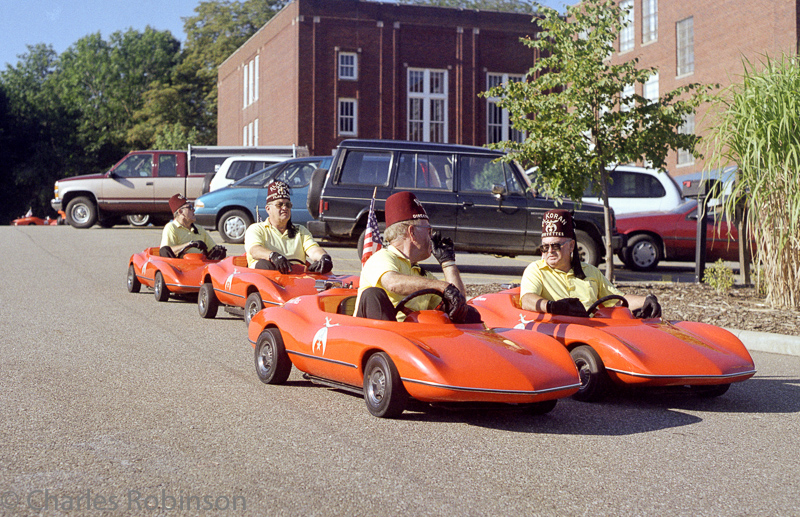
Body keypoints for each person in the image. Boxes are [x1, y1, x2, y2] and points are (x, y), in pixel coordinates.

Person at [355, 191, 481, 323]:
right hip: (376, 337)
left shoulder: (422, 275)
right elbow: (392, 283)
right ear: (412, 232)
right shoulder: (381, 258)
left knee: (470, 314)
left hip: (413, 337)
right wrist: (442, 287)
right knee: (373, 295)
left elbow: (459, 305)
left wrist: (448, 262)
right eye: (428, 230)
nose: (431, 236)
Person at [520, 209, 661, 318]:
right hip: (559, 335)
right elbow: (527, 299)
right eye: (545, 247)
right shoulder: (536, 270)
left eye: (556, 246)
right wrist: (552, 307)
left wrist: (646, 300)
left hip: (592, 334)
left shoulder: (591, 271)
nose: (549, 251)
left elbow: (618, 300)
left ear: (571, 246)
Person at [244, 181, 333, 273]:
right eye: (280, 204)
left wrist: (324, 257)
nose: (285, 208)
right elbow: (254, 250)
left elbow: (313, 250)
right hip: (265, 280)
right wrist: (272, 256)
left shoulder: (300, 230)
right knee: (264, 264)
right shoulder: (256, 229)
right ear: (268, 209)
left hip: (297, 280)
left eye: (288, 205)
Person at [160, 194, 226, 259]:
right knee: (164, 249)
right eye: (190, 207)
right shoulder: (171, 227)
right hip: (181, 267)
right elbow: (166, 252)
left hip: (200, 266)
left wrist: (217, 252)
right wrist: (190, 244)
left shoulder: (199, 229)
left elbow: (212, 248)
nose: (194, 210)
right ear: (180, 211)